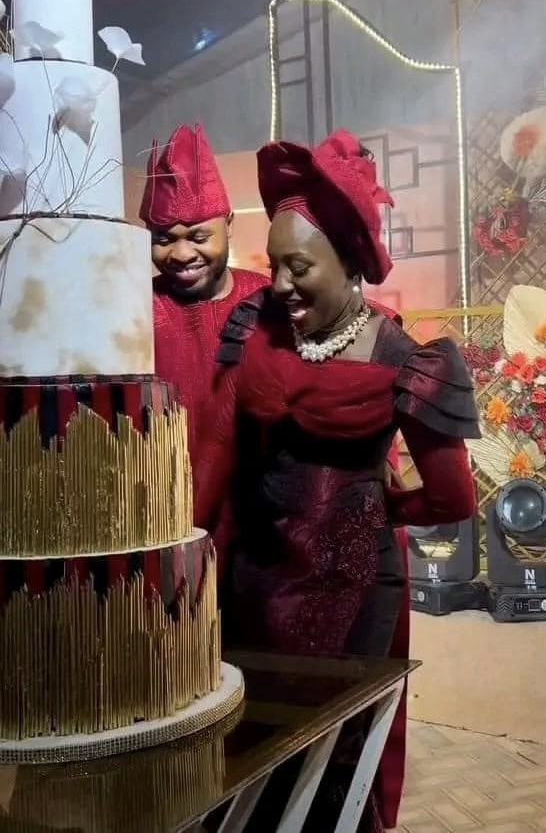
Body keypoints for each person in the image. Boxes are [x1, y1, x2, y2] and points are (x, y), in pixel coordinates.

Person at [196, 129, 480, 831]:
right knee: (252, 738)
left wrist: (384, 505)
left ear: (350, 261)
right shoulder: (254, 326)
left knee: (334, 750)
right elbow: (215, 454)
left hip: (352, 593)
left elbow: (454, 499)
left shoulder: (408, 360)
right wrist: (188, 556)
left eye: (298, 266)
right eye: (273, 265)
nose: (279, 284)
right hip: (253, 580)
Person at [140, 122, 269, 561]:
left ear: (228, 225)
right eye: (163, 239)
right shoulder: (132, 308)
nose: (180, 255)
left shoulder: (269, 302)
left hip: (259, 530)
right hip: (161, 523)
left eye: (198, 236)